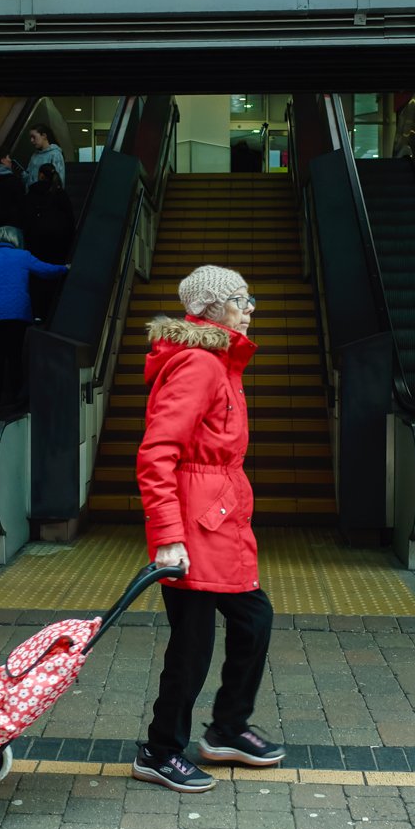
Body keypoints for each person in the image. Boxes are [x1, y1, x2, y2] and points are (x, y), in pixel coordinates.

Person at [131, 264, 285, 794]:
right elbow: (157, 453)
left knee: (253, 619)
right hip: (193, 530)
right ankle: (160, 750)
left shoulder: (220, 363)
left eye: (250, 298)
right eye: (241, 299)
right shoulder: (199, 364)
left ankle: (227, 729)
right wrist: (168, 537)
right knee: (193, 643)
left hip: (217, 522)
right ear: (210, 309)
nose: (249, 308)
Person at [0, 226, 69, 405]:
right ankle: (16, 396)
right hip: (18, 313)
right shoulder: (23, 256)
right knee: (15, 355)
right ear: (16, 239)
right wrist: (64, 268)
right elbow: (45, 270)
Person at [22, 164, 76, 265]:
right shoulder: (60, 193)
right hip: (58, 241)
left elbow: (26, 217)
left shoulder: (31, 194)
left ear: (41, 175)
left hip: (36, 241)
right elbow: (70, 218)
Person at [22, 123, 66, 192]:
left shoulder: (55, 154)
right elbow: (29, 177)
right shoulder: (35, 155)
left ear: (44, 136)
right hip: (32, 195)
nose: (32, 140)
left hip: (45, 197)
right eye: (30, 137)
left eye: (34, 137)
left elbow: (59, 180)